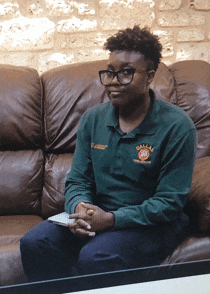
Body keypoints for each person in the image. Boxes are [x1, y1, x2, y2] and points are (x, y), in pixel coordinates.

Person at [20, 25, 196, 282]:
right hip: (99, 213)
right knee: (35, 242)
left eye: (126, 73)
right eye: (109, 73)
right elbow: (78, 179)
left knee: (97, 257)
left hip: (152, 223)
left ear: (149, 76)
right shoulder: (93, 119)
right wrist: (79, 207)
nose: (113, 81)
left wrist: (112, 220)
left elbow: (169, 203)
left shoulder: (178, 126)